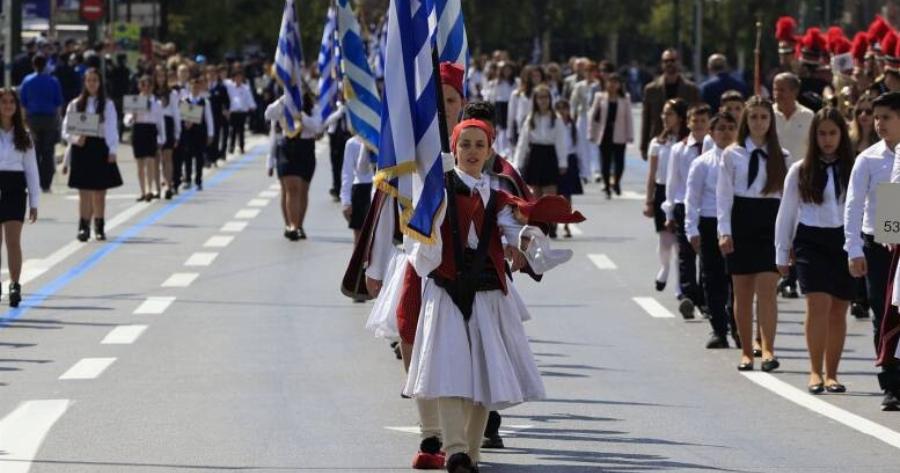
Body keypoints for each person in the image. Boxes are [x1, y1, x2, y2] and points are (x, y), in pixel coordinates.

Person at [403, 118, 571, 470]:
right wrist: (433, 211)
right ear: (454, 148)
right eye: (465, 144)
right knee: (448, 372)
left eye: (480, 145)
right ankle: (456, 449)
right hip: (447, 290)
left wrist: (524, 242)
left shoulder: (498, 197)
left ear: (490, 150)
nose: (472, 152)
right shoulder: (437, 190)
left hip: (486, 293)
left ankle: (472, 453)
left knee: (484, 371)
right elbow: (418, 242)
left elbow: (513, 231)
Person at [775, 107, 854, 394]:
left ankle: (832, 373)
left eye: (833, 133)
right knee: (817, 303)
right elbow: (786, 212)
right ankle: (815, 371)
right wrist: (781, 252)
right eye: (822, 133)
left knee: (839, 308)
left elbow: (877, 200)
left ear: (842, 135)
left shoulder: (855, 165)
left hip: (846, 239)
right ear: (814, 136)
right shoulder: (800, 170)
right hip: (810, 239)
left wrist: (886, 238)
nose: (828, 139)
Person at [717, 96, 789, 372]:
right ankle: (746, 351)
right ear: (746, 120)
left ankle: (768, 347)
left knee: (768, 289)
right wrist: (724, 231)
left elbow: (786, 201)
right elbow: (724, 197)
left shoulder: (781, 157)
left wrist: (788, 238)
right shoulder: (732, 154)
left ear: (771, 122)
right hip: (741, 220)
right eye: (754, 117)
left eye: (764, 117)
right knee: (743, 292)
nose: (759, 122)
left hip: (770, 222)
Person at [844, 91, 900, 410]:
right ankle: (890, 382)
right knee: (884, 312)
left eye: (886, 117)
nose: (878, 123)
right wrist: (853, 248)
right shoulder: (868, 158)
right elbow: (853, 205)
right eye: (875, 117)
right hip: (881, 245)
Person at [686, 112, 738, 348]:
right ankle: (719, 329)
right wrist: (691, 230)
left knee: (737, 280)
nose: (726, 132)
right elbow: (692, 199)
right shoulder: (702, 163)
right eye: (721, 128)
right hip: (709, 224)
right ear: (711, 133)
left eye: (730, 127)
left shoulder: (742, 160)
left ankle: (739, 329)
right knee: (712, 279)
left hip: (737, 225)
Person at [61, 68, 123, 242]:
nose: (92, 84)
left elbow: (111, 128)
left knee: (99, 191)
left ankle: (100, 225)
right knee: (84, 191)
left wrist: (112, 150)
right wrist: (75, 139)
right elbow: (66, 129)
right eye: (89, 81)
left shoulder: (107, 104)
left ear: (100, 83)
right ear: (84, 83)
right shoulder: (75, 104)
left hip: (99, 147)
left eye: (95, 80)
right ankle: (83, 226)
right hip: (82, 148)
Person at [664, 103, 712, 319]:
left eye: (703, 121)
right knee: (686, 253)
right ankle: (688, 295)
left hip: (708, 207)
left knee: (707, 254)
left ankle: (704, 297)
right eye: (695, 121)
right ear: (688, 123)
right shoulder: (679, 149)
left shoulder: (714, 149)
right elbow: (672, 181)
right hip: (685, 205)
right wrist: (669, 210)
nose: (699, 125)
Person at [773, 72, 815, 299]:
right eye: (775, 89)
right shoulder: (767, 114)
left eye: (782, 89)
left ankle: (791, 277)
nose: (777, 94)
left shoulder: (808, 117)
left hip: (800, 180)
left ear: (794, 91)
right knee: (780, 225)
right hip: (772, 182)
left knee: (797, 228)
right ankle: (780, 270)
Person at [0, 88, 39, 307]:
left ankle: (14, 284)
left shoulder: (23, 135)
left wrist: (34, 202)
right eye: (3, 102)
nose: (7, 106)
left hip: (15, 188)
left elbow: (31, 170)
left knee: (13, 241)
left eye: (11, 102)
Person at [265, 87, 321, 240]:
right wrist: (283, 100)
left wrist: (300, 116)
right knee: (291, 188)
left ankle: (299, 225)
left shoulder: (312, 108)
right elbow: (268, 115)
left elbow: (317, 126)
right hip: (286, 148)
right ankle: (292, 225)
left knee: (302, 190)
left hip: (306, 149)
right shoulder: (282, 106)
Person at [645, 98, 688, 293]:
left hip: (681, 192)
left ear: (680, 117)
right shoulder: (657, 142)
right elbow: (651, 174)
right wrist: (649, 200)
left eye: (669, 113)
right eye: (663, 113)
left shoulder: (688, 143)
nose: (665, 117)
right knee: (665, 241)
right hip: (662, 192)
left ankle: (681, 286)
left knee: (680, 243)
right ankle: (664, 267)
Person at [513, 85, 567, 217]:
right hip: (535, 155)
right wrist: (517, 163)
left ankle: (551, 223)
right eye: (540, 97)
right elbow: (523, 142)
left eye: (546, 97)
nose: (543, 101)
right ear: (535, 100)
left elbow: (561, 142)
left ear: (550, 99)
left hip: (549, 155)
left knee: (550, 195)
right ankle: (539, 224)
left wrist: (562, 163)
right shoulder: (531, 118)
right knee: (535, 194)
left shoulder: (556, 118)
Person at [848, 91, 878, 320]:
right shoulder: (863, 154)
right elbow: (854, 198)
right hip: (859, 207)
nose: (866, 116)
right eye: (862, 112)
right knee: (858, 250)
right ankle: (859, 297)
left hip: (883, 210)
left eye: (872, 112)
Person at [640, 49, 701, 161]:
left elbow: (697, 116)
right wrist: (644, 146)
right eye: (666, 61)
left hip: (684, 141)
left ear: (678, 62)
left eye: (672, 60)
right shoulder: (651, 89)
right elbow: (646, 119)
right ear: (662, 63)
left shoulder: (691, 89)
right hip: (660, 141)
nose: (669, 63)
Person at [19, 54, 63, 192]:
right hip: (49, 118)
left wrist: (23, 120)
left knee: (34, 151)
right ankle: (46, 183)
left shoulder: (27, 81)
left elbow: (23, 103)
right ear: (45, 65)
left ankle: (34, 181)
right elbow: (58, 103)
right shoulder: (53, 81)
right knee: (48, 151)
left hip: (33, 118)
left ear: (33, 65)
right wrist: (58, 119)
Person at [589, 72, 634, 198]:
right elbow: (593, 116)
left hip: (620, 134)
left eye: (616, 82)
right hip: (604, 134)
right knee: (605, 162)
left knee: (620, 162)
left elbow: (629, 118)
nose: (613, 85)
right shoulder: (600, 97)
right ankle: (607, 186)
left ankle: (617, 182)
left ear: (620, 85)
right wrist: (591, 133)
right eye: (610, 82)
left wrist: (630, 135)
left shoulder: (625, 98)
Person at [125, 75, 166, 202]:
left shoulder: (157, 103)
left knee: (150, 160)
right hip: (138, 130)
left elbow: (160, 122)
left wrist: (162, 138)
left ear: (152, 87)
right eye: (143, 85)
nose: (146, 88)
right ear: (139, 86)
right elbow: (126, 120)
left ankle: (149, 189)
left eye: (149, 85)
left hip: (150, 131)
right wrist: (132, 117)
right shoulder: (134, 101)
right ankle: (142, 191)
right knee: (140, 164)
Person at [554, 99, 582, 238]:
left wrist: (582, 166)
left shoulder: (572, 125)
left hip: (570, 159)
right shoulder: (553, 124)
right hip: (557, 159)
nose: (563, 112)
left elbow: (578, 146)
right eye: (560, 109)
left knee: (567, 195)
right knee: (554, 194)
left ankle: (566, 224)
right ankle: (552, 223)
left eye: (565, 109)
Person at [339, 133, 373, 244]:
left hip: (380, 188)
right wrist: (346, 201)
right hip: (361, 189)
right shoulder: (352, 143)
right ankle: (359, 261)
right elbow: (348, 173)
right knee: (359, 238)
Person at [154, 65, 181, 199]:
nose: (160, 79)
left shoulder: (172, 93)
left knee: (167, 157)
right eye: (158, 76)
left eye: (162, 76)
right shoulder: (151, 93)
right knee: (155, 158)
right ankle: (157, 188)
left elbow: (176, 113)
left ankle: (169, 185)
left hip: (168, 123)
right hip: (154, 125)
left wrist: (177, 133)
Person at [508, 65, 544, 148]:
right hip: (522, 131)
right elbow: (511, 116)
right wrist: (510, 133)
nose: (536, 78)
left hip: (540, 133)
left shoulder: (547, 93)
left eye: (538, 76)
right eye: (533, 76)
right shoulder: (517, 94)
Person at [225, 69, 256, 156]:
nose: (239, 79)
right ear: (234, 78)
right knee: (233, 130)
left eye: (240, 77)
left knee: (241, 130)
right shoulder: (230, 87)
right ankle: (231, 147)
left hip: (242, 111)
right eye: (237, 77)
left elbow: (249, 97)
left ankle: (241, 146)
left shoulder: (246, 87)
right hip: (233, 111)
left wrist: (252, 106)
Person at [206, 65, 230, 166]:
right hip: (205, 116)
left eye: (213, 73)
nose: (211, 75)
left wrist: (225, 110)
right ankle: (206, 158)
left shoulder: (221, 87)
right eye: (209, 73)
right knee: (205, 137)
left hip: (216, 116)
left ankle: (214, 158)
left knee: (215, 137)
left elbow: (226, 101)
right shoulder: (203, 87)